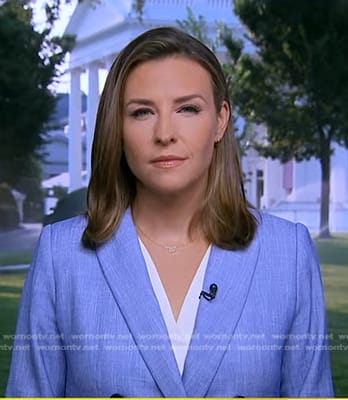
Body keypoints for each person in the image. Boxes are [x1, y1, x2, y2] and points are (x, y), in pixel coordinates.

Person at [6, 26, 334, 397]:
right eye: (143, 112)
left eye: (187, 109)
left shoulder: (287, 253)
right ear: (119, 125)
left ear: (221, 120)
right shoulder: (61, 255)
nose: (165, 133)